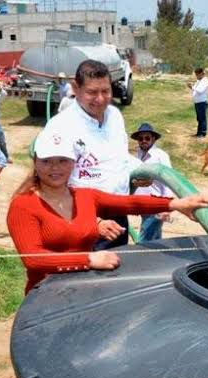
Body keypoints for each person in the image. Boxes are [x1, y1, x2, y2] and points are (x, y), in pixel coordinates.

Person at [7, 130, 208, 294]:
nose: (55, 168)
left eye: (63, 160)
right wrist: (89, 260)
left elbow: (129, 203)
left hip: (85, 289)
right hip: (45, 296)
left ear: (74, 163)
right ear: (35, 162)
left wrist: (175, 203)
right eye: (47, 161)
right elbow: (33, 259)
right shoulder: (23, 205)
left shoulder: (85, 196)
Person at [41, 59, 137, 250]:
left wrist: (139, 173)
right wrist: (95, 221)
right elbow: (52, 184)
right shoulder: (61, 127)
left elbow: (119, 158)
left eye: (106, 91)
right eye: (92, 92)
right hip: (82, 219)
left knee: (119, 271)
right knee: (87, 276)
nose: (100, 99)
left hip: (118, 214)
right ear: (76, 89)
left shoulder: (115, 116)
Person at [131, 123, 174, 242]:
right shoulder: (139, 155)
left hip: (155, 205)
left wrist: (166, 207)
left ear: (153, 139)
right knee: (155, 240)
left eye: (147, 138)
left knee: (144, 242)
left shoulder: (160, 156)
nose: (143, 141)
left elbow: (169, 180)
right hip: (144, 205)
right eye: (140, 138)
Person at [187, 67, 208, 139]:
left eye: (197, 75)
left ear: (201, 74)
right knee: (199, 118)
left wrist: (192, 87)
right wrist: (191, 87)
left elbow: (200, 91)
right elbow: (195, 89)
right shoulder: (199, 81)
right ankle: (198, 133)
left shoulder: (205, 81)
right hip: (198, 102)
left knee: (202, 119)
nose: (196, 76)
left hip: (202, 102)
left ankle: (203, 134)